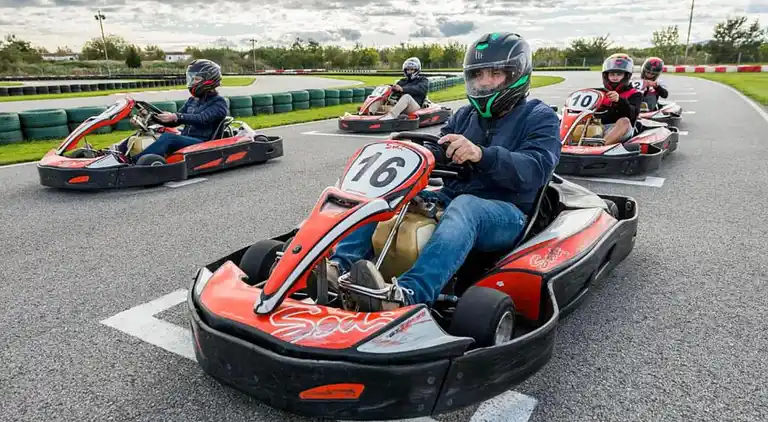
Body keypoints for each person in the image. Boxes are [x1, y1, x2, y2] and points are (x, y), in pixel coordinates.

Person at [323, 32, 562, 312]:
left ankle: (409, 294)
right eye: (479, 75)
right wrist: (408, 153)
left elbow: (535, 169)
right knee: (386, 195)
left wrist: (482, 155)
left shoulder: (539, 117)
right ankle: (339, 267)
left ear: (516, 74)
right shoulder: (465, 117)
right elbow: (438, 151)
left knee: (466, 206)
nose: (485, 82)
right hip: (451, 198)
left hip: (509, 213)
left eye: (495, 74)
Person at [130, 59, 229, 161]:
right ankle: (119, 155)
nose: (192, 82)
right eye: (192, 78)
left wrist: (177, 116)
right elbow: (174, 122)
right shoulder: (192, 100)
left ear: (209, 80)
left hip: (203, 142)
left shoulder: (219, 103)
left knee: (169, 138)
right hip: (187, 138)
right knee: (144, 134)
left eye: (196, 79)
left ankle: (133, 162)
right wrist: (150, 116)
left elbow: (202, 118)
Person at [595, 53, 643, 146]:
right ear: (606, 75)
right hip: (598, 128)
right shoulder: (599, 93)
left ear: (626, 76)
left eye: (619, 74)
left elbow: (632, 114)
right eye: (612, 74)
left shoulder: (635, 94)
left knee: (624, 121)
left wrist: (619, 101)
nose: (615, 77)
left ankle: (599, 146)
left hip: (621, 129)